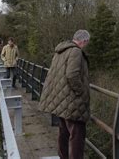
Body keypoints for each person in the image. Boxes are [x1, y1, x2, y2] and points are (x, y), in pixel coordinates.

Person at [38, 30, 91, 159]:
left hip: (61, 98)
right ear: (83, 41)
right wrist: (81, 91)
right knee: (77, 135)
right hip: (72, 100)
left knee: (63, 132)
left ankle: (63, 156)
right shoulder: (76, 51)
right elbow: (72, 75)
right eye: (86, 43)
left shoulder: (61, 50)